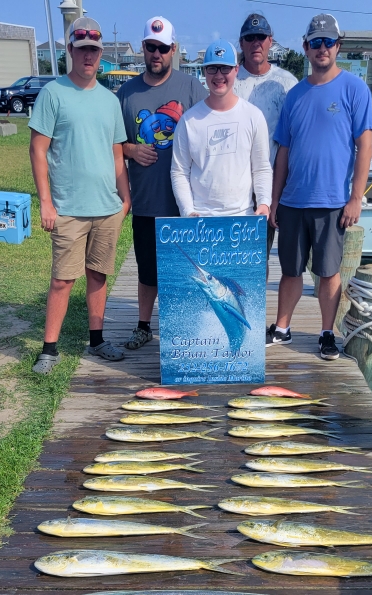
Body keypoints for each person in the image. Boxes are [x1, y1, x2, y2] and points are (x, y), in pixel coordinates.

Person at [268, 14, 372, 360]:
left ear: (338, 46)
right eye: (316, 42)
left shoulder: (355, 89)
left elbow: (365, 145)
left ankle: (327, 332)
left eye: (329, 42)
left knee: (328, 272)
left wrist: (356, 197)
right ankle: (282, 327)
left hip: (331, 202)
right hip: (292, 201)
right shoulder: (294, 95)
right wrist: (274, 199)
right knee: (290, 270)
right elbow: (283, 151)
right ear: (306, 48)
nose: (323, 48)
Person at [29, 16, 131, 373]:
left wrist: (125, 196)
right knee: (62, 279)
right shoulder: (53, 93)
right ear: (71, 50)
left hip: (107, 206)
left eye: (95, 51)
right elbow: (38, 149)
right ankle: (49, 348)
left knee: (98, 274)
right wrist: (45, 200)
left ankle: (98, 339)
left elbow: (117, 152)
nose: (89, 56)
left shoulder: (110, 100)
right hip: (69, 207)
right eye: (83, 49)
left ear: (101, 54)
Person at [117, 16, 206, 351]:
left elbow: (209, 131)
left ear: (173, 50)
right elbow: (113, 144)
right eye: (151, 47)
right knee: (147, 271)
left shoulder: (191, 87)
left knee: (186, 270)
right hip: (145, 200)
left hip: (186, 204)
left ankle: (182, 327)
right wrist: (130, 148)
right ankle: (143, 326)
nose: (157, 54)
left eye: (163, 48)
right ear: (143, 48)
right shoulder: (126, 93)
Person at [170, 40, 272, 219]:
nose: (219, 75)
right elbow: (179, 171)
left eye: (225, 68)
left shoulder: (253, 116)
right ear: (204, 71)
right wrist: (187, 210)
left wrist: (264, 202)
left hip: (243, 219)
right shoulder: (188, 121)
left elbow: (261, 167)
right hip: (200, 221)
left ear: (236, 70)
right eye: (212, 68)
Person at [233, 12, 297, 295]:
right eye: (249, 38)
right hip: (230, 187)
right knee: (228, 254)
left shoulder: (288, 83)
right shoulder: (227, 79)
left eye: (261, 37)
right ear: (241, 43)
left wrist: (278, 194)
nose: (255, 43)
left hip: (268, 187)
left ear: (270, 41)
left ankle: (254, 314)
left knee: (258, 257)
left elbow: (294, 141)